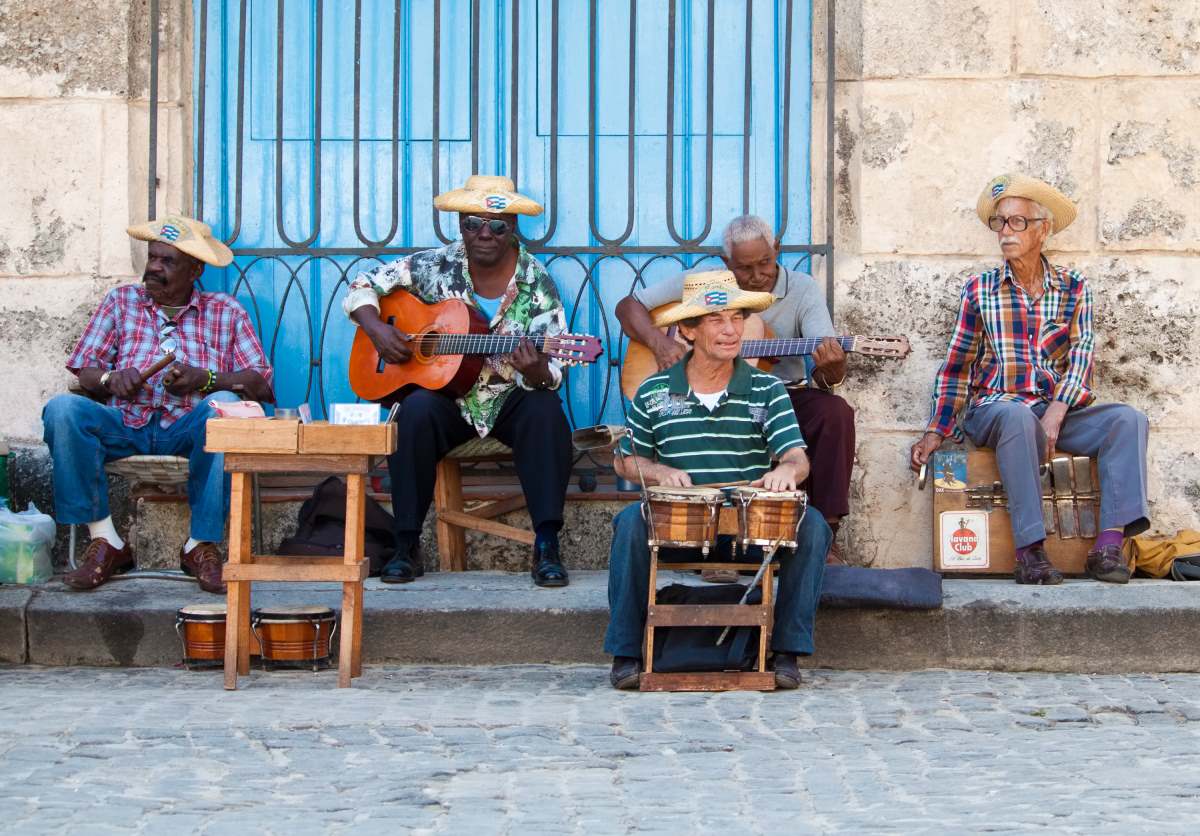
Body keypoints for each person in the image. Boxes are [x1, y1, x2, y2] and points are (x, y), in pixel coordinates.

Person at [910, 174, 1150, 585]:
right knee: (1018, 418)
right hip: (995, 409)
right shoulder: (979, 290)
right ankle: (1030, 552)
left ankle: (1107, 547)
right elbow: (957, 367)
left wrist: (1057, 410)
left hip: (1055, 409)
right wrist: (936, 430)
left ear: (1043, 229)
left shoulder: (1076, 289)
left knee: (1127, 420)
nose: (1006, 231)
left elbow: (1081, 357)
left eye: (1017, 222)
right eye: (1000, 222)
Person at [344, 175, 573, 587]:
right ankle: (406, 545)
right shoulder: (431, 265)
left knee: (546, 412)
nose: (484, 234)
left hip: (506, 397)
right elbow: (362, 285)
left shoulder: (538, 283)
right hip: (447, 398)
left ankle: (546, 544)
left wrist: (537, 370)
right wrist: (377, 328)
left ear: (513, 227)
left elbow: (554, 369)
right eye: (472, 223)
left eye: (497, 224)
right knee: (412, 413)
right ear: (460, 225)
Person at [606, 270, 831, 690]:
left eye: (737, 319)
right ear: (688, 330)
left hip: (750, 527)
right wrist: (658, 472)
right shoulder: (654, 390)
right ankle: (625, 652)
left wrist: (786, 471)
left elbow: (797, 457)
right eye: (716, 320)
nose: (731, 330)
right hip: (679, 526)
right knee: (630, 524)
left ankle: (786, 651)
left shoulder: (767, 389)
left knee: (813, 525)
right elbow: (625, 461)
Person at [42, 215, 274, 593]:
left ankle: (200, 545)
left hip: (187, 431)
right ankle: (106, 540)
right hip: (125, 424)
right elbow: (85, 368)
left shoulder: (225, 311)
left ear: (196, 270)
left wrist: (207, 379)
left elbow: (260, 382)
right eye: (152, 258)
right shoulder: (122, 301)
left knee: (224, 407)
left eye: (168, 262)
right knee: (62, 410)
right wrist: (109, 379)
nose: (154, 268)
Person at [615, 215, 855, 563]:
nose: (758, 276)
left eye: (766, 263)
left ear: (777, 250)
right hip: (707, 393)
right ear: (727, 264)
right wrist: (660, 344)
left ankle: (824, 538)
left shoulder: (802, 289)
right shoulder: (704, 285)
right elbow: (628, 306)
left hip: (779, 393)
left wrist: (833, 368)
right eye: (745, 269)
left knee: (835, 414)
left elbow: (825, 372)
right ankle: (711, 536)